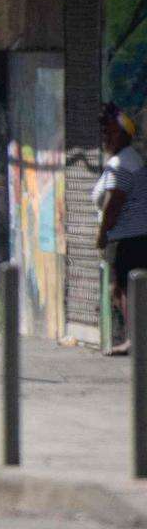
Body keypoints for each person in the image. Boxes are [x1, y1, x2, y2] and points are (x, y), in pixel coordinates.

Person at [96, 106, 146, 354]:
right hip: (130, 235)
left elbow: (113, 204)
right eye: (104, 132)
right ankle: (134, 337)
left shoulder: (122, 163)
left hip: (128, 237)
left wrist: (102, 234)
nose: (106, 136)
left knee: (124, 289)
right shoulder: (127, 159)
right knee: (123, 288)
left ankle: (134, 339)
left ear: (124, 135)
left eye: (111, 132)